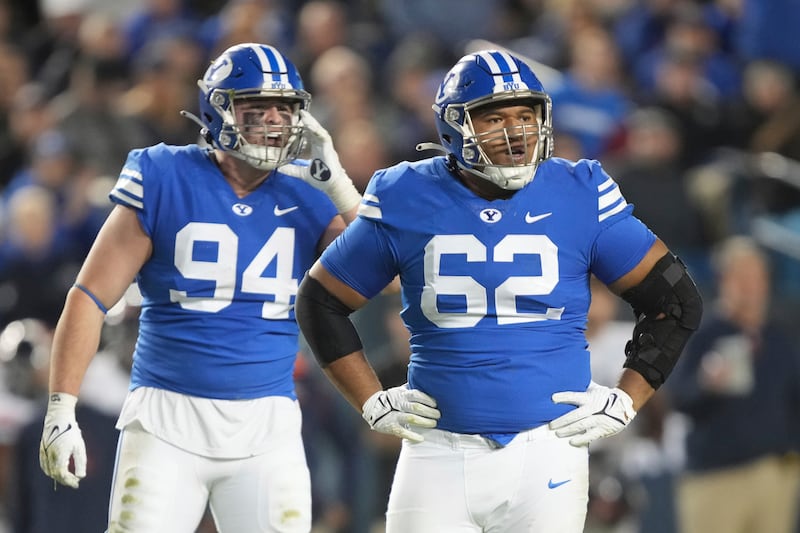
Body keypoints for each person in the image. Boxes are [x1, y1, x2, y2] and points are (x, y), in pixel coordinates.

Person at [294, 49, 703, 532]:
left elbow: (675, 303)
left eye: (525, 116)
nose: (515, 132)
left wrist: (627, 399)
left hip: (549, 451)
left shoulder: (579, 190)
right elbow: (320, 301)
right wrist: (370, 400)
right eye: (494, 119)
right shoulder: (404, 193)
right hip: (436, 452)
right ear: (454, 126)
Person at [37, 42, 361, 533]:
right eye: (258, 108)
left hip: (266, 425)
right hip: (166, 419)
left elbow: (384, 276)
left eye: (285, 108)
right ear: (220, 110)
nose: (275, 121)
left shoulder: (308, 190)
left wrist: (339, 183)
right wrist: (61, 407)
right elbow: (89, 295)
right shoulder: (164, 172)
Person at [667, 235, 800, 533]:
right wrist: (706, 384)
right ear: (724, 281)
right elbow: (678, 397)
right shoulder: (701, 334)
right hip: (716, 478)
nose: (751, 286)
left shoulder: (780, 337)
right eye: (742, 277)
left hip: (773, 476)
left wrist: (791, 459)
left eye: (757, 277)